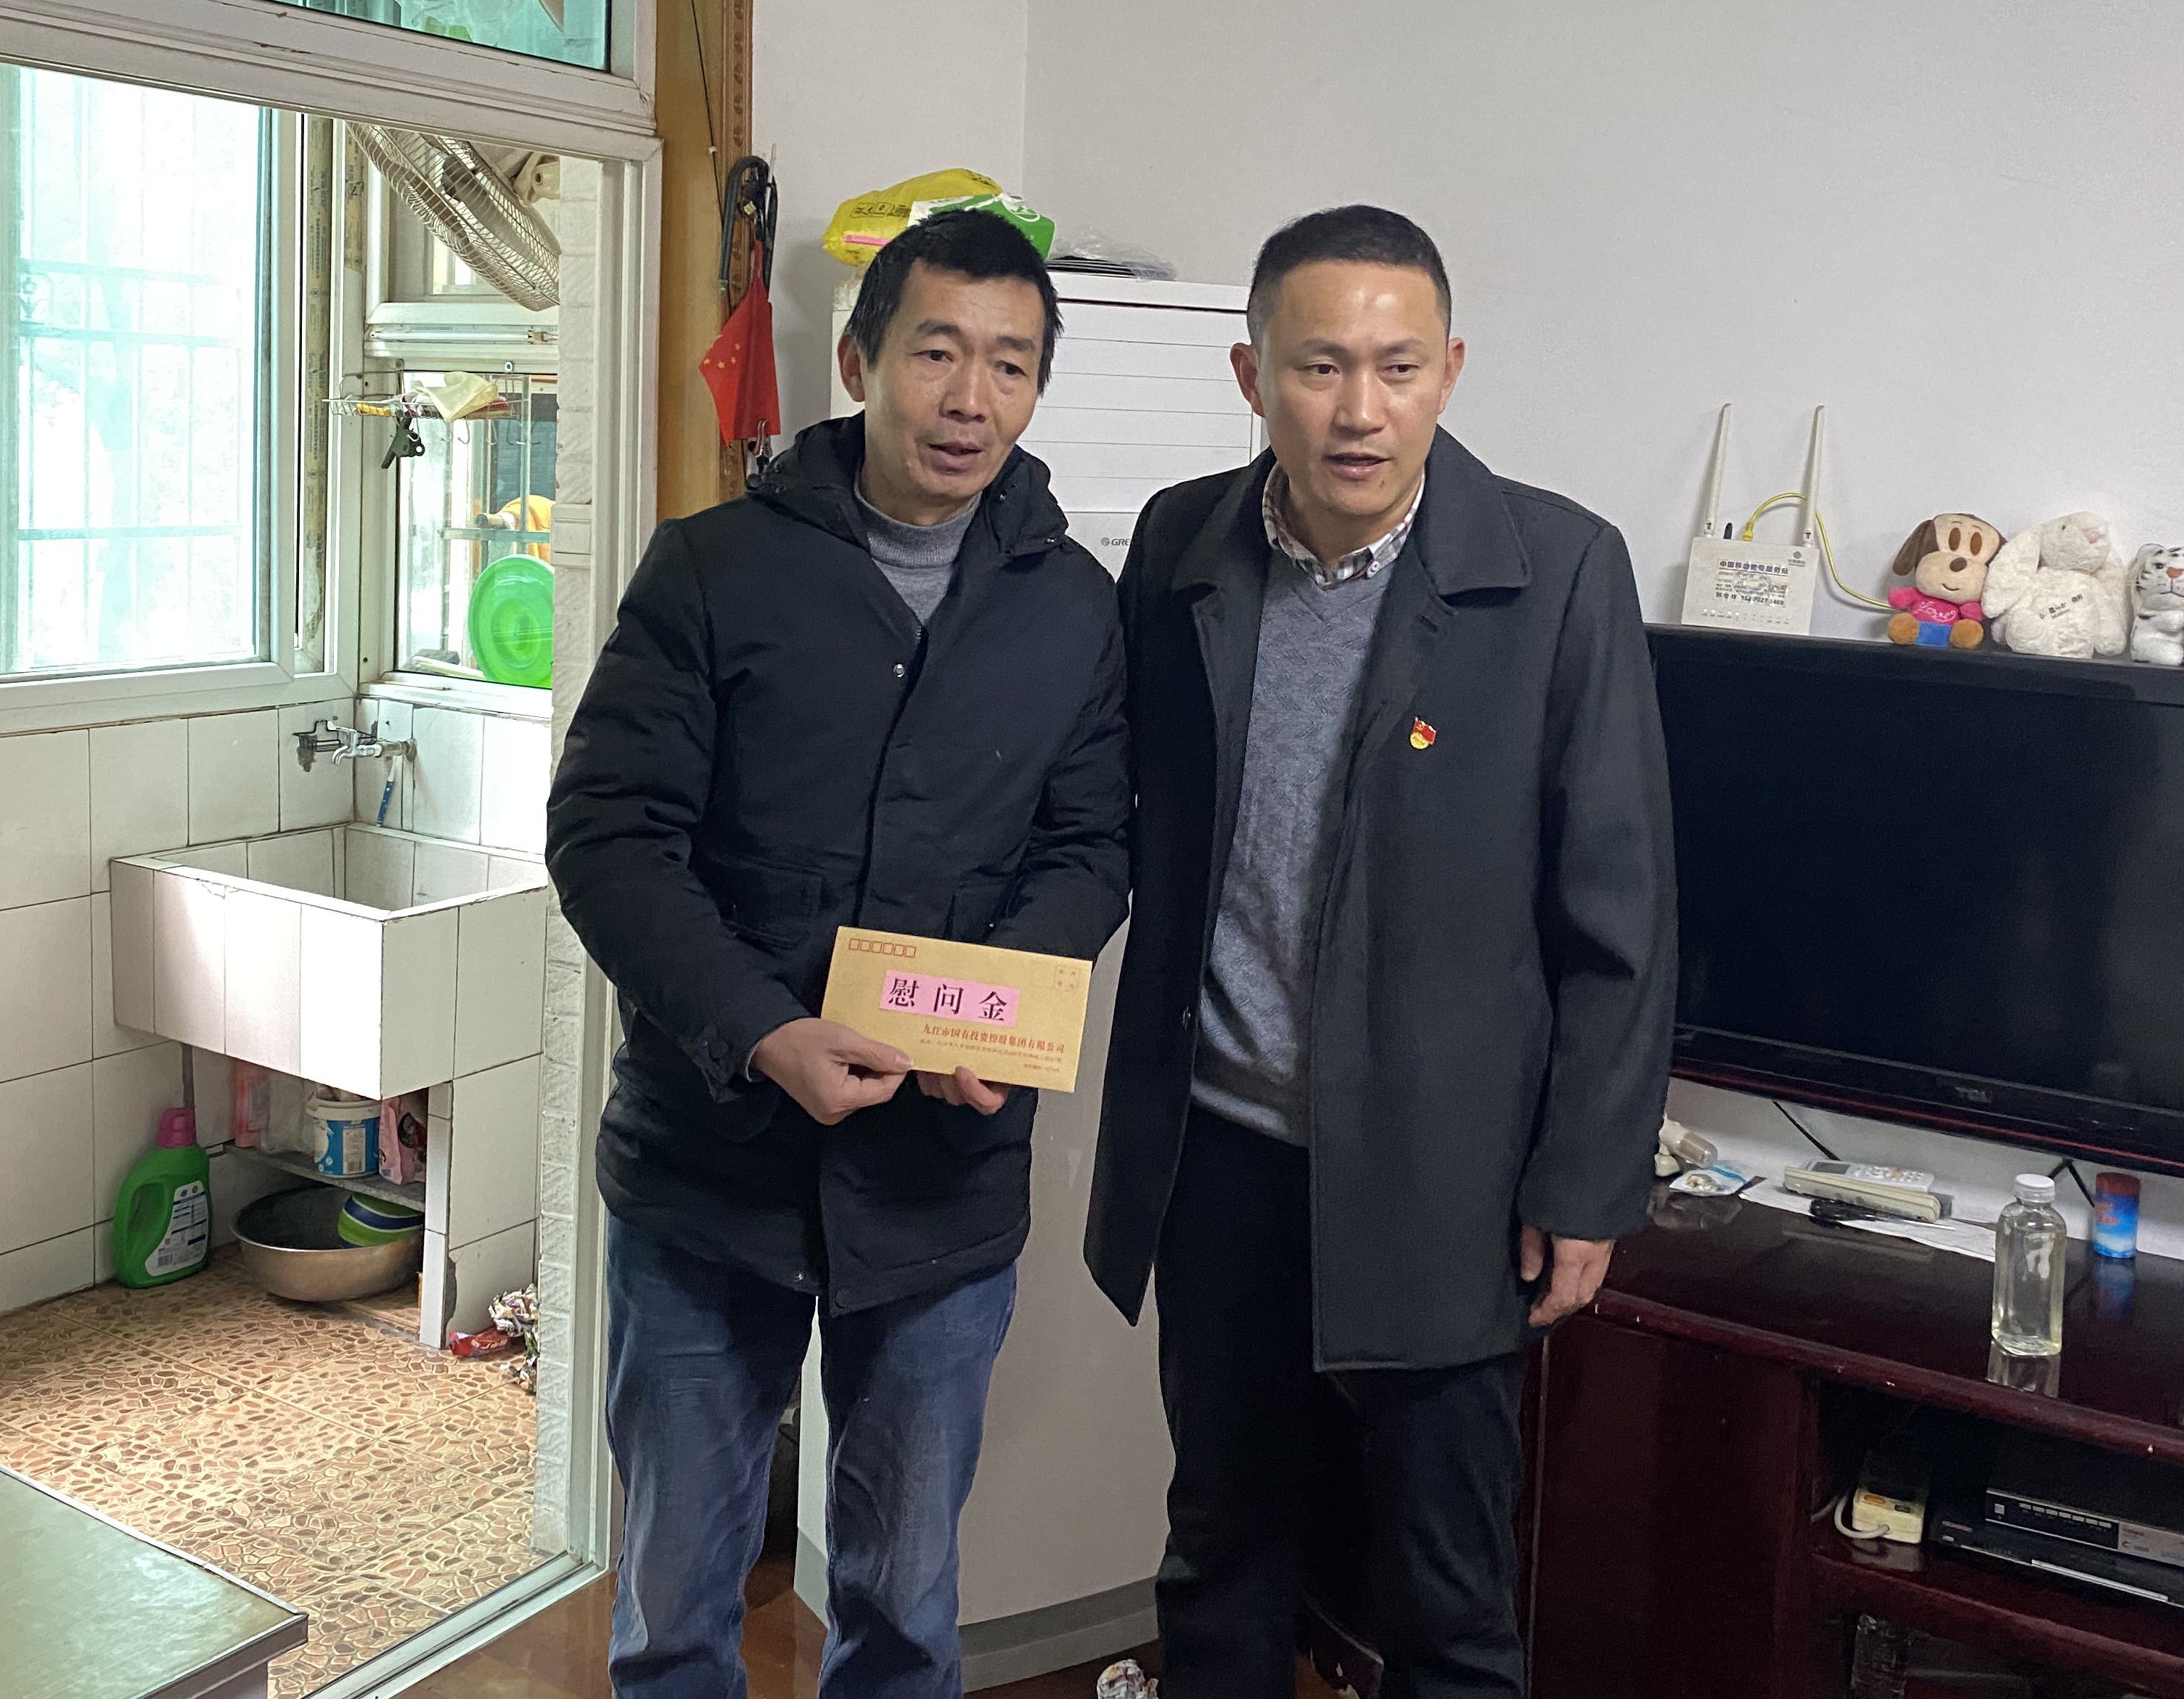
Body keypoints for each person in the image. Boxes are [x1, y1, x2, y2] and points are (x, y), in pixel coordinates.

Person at [1085, 205, 1677, 1699]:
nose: (1361, 410)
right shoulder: (1179, 542)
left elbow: (1621, 911)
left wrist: (1588, 1178)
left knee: (1445, 1590)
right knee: (1221, 1548)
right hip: (1220, 1150)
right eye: (1320, 367)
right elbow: (1121, 811)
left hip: (1444, 1172)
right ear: (1251, 376)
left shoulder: (1557, 569)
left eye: (1398, 368)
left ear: (1450, 372)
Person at [550, 210, 1130, 1699]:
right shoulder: (715, 569)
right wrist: (761, 1030)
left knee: (906, 1597)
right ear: (861, 360)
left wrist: (989, 1017)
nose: (971, 398)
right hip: (708, 1167)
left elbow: (1089, 849)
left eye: (1011, 364)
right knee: (677, 1604)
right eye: (937, 352)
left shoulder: (1073, 607)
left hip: (941, 1179)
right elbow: (609, 837)